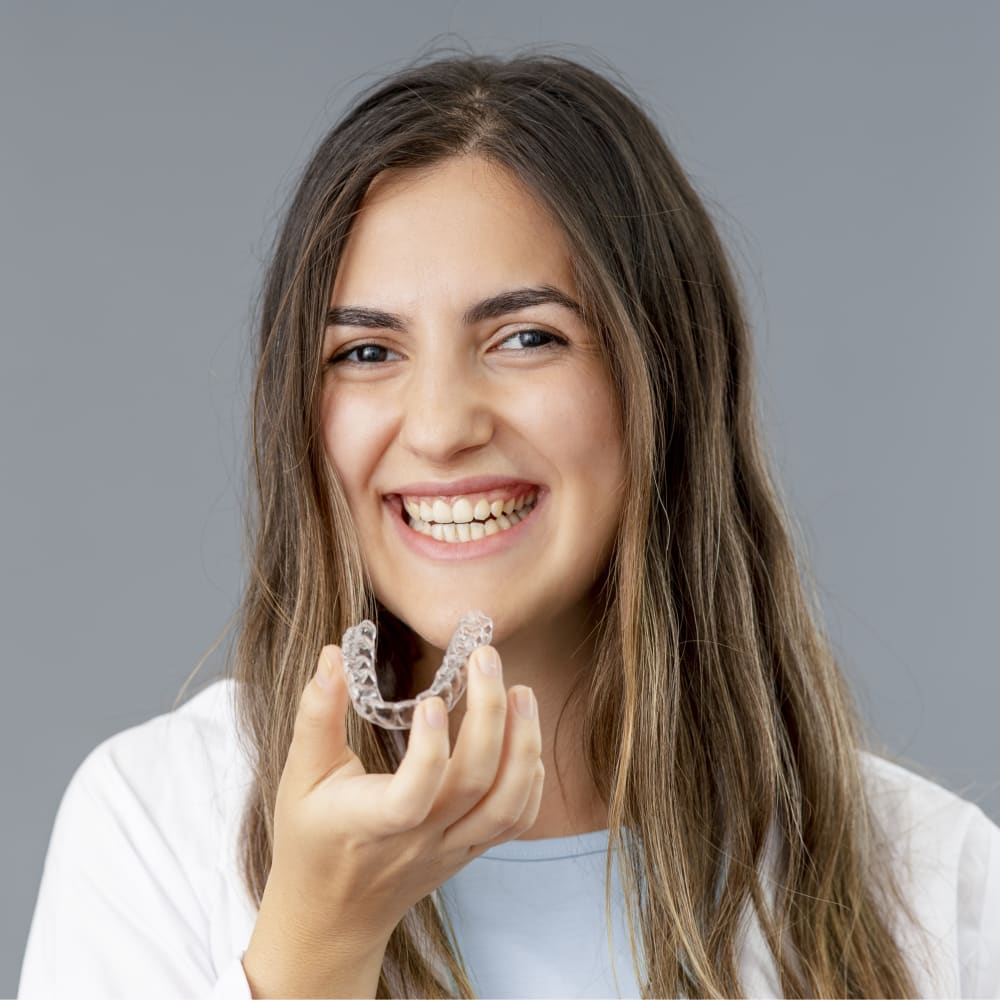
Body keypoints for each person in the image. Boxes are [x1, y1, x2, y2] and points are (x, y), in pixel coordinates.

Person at [18, 48, 1000, 1000]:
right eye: (365, 351)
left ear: (666, 381)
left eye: (526, 337)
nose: (441, 427)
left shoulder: (938, 881)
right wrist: (319, 945)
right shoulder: (151, 822)